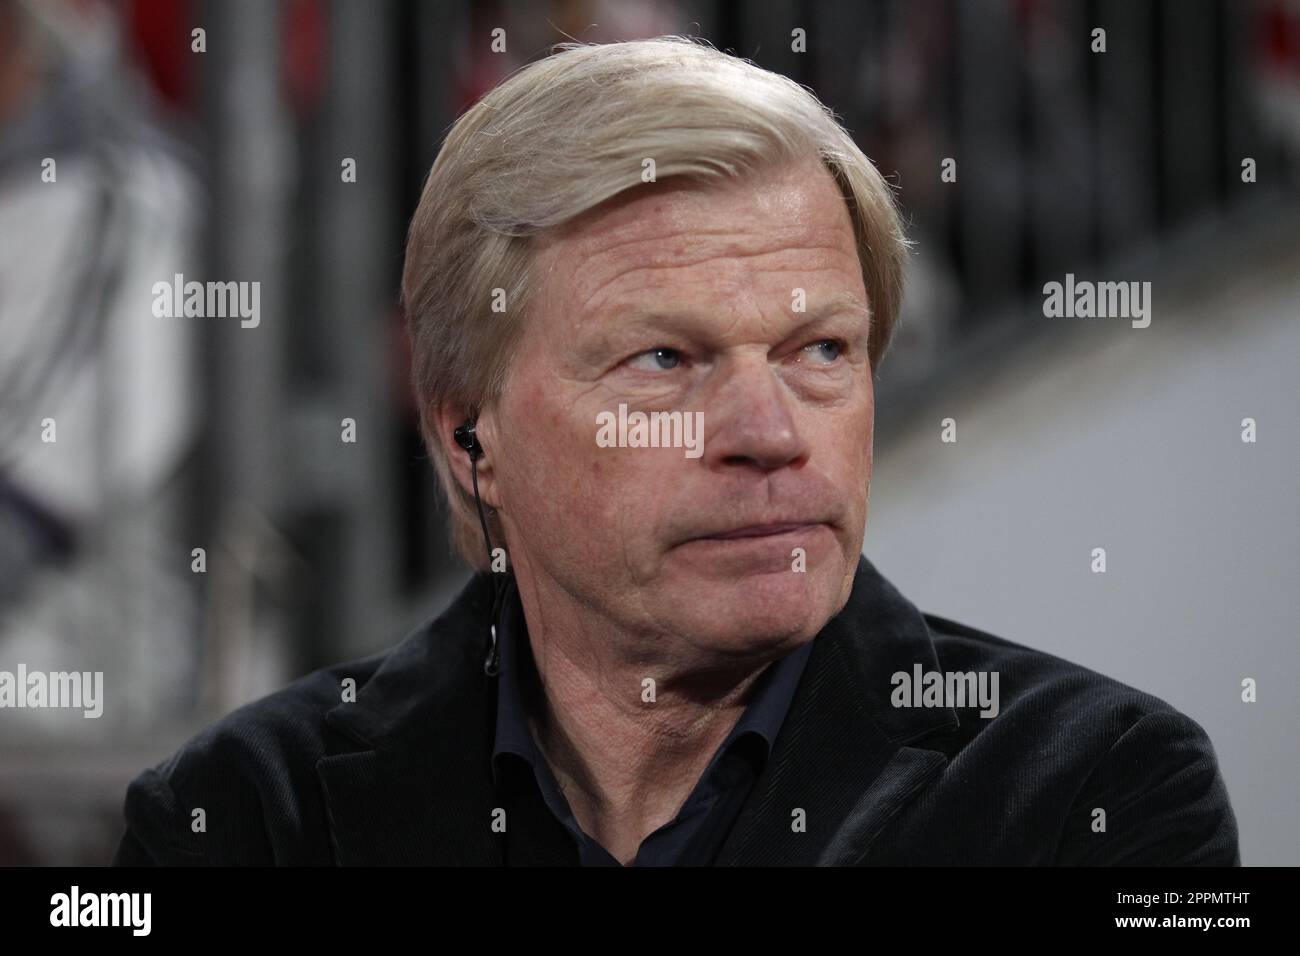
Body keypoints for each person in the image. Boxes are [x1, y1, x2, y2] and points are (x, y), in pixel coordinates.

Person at [112, 36, 1238, 866]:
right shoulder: (243, 816)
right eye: (663, 359)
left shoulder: (1097, 791)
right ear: (468, 434)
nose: (769, 434)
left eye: (821, 350)